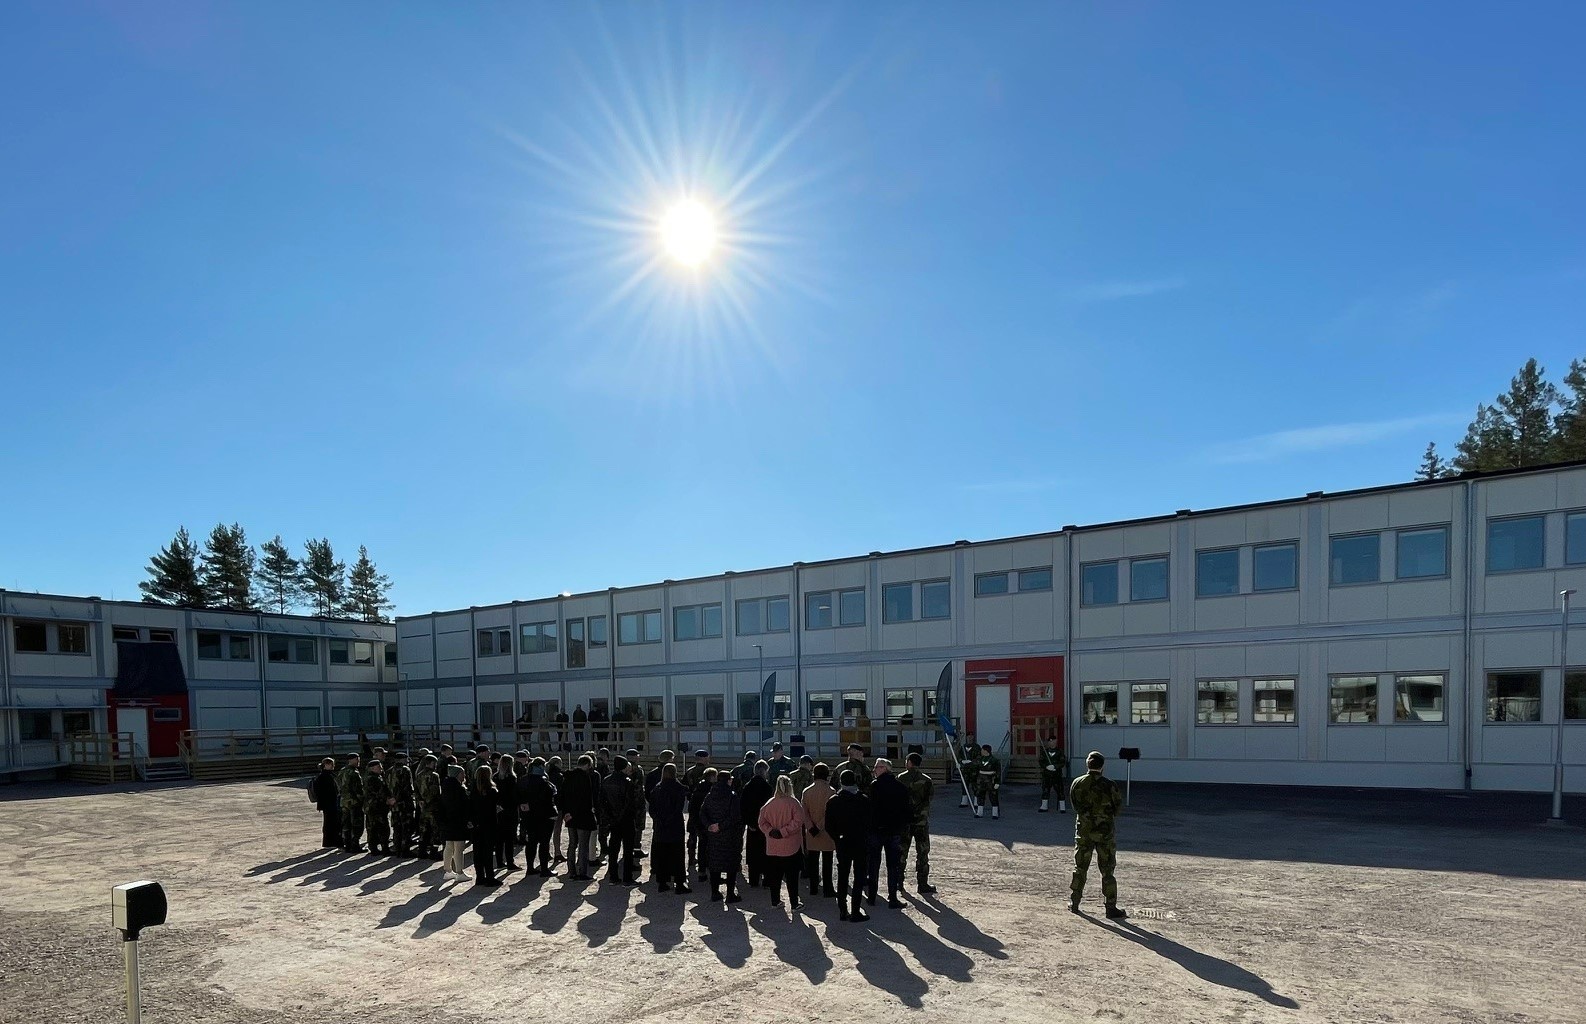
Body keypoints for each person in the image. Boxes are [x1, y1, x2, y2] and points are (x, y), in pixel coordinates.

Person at [1069, 750, 1127, 919]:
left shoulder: (1077, 783)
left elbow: (1075, 806)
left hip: (1084, 832)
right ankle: (1111, 907)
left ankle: (1075, 903)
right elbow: (1117, 809)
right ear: (1102, 767)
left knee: (1080, 868)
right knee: (1107, 870)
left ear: (1087, 765)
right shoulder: (1110, 785)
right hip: (1105, 834)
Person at [824, 769, 872, 922]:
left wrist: (837, 839)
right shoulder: (864, 800)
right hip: (860, 843)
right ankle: (856, 910)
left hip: (842, 843)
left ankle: (842, 910)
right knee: (859, 878)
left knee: (843, 877)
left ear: (841, 782)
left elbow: (828, 826)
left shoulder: (833, 801)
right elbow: (870, 823)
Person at [757, 775, 811, 910]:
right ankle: (794, 903)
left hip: (773, 846)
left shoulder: (769, 803)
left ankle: (775, 901)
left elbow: (761, 822)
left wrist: (770, 831)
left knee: (775, 875)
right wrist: (784, 831)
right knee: (792, 877)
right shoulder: (794, 803)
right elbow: (798, 822)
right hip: (790, 846)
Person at [866, 758, 908, 909]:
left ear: (884, 768)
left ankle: (871, 897)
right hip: (894, 831)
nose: (874, 770)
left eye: (876, 767)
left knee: (873, 865)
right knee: (893, 866)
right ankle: (893, 898)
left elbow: (868, 809)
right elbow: (906, 811)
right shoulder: (900, 787)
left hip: (876, 831)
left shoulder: (874, 786)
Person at [699, 770, 744, 904]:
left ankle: (715, 892)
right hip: (729, 836)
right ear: (728, 780)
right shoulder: (732, 796)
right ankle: (730, 894)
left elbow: (702, 812)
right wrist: (721, 826)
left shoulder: (709, 795)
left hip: (714, 836)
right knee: (731, 865)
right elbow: (734, 817)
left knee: (714, 864)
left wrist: (709, 825)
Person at [647, 761, 691, 894]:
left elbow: (652, 808)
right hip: (674, 825)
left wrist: (659, 819)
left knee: (662, 854)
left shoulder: (657, 788)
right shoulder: (678, 788)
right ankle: (679, 882)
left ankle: (662, 882)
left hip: (660, 826)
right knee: (677, 855)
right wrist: (669, 819)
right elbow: (678, 808)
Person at [897, 751, 937, 894]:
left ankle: (898, 882)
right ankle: (922, 884)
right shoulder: (926, 780)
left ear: (909, 762)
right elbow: (928, 800)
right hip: (921, 822)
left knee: (901, 853)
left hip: (905, 822)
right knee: (922, 853)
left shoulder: (900, 778)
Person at [559, 754, 599, 881]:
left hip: (570, 816)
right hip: (583, 815)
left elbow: (562, 796)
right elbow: (586, 799)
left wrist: (566, 812)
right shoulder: (585, 777)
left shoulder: (568, 776)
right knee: (583, 846)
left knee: (572, 844)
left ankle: (571, 871)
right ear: (588, 765)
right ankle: (582, 872)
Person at [800, 763, 836, 898]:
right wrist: (820, 826)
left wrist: (811, 827)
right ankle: (828, 888)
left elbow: (804, 811)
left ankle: (814, 888)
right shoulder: (831, 791)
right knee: (827, 861)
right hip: (827, 831)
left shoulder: (806, 791)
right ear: (827, 775)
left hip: (811, 832)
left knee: (813, 861)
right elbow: (830, 813)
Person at [599, 755, 637, 884]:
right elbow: (630, 803)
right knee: (628, 850)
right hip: (626, 819)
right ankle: (627, 877)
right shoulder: (627, 781)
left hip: (612, 819)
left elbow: (602, 801)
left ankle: (613, 876)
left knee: (613, 849)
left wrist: (610, 816)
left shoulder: (606, 780)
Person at [520, 757, 559, 876]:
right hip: (544, 816)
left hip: (529, 816)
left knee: (531, 842)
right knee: (544, 842)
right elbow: (549, 798)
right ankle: (544, 869)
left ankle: (530, 867)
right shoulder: (544, 782)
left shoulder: (523, 780)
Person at [739, 760, 773, 887]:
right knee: (765, 851)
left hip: (752, 825)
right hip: (765, 824)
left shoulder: (748, 786)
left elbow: (742, 807)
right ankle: (767, 879)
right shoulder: (767, 787)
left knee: (753, 852)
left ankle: (753, 879)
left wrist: (748, 822)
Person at [438, 764, 471, 883]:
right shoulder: (459, 788)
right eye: (462, 773)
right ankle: (459, 872)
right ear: (458, 774)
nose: (464, 776)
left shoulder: (445, 786)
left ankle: (447, 870)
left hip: (446, 821)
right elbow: (464, 806)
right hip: (457, 821)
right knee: (459, 848)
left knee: (448, 846)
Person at [470, 765, 502, 887]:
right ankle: (490, 877)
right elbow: (495, 807)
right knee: (488, 852)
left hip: (477, 824)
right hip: (489, 823)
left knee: (477, 852)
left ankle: (480, 877)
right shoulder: (492, 790)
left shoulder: (473, 789)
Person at [682, 749, 711, 876]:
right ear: (704, 758)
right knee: (706, 836)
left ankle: (692, 857)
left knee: (692, 833)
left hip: (693, 806)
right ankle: (706, 859)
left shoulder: (689, 772)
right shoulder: (708, 772)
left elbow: (684, 788)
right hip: (706, 808)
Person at [687, 760, 713, 880]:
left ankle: (695, 862)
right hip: (708, 822)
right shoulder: (711, 791)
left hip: (696, 821)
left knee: (697, 842)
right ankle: (708, 867)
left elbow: (691, 806)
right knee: (708, 846)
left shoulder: (697, 789)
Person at [415, 753, 443, 859]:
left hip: (423, 807)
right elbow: (436, 792)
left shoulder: (419, 774)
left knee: (424, 830)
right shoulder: (434, 775)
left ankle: (422, 851)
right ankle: (434, 852)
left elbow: (416, 790)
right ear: (431, 763)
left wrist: (421, 800)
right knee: (435, 830)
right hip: (433, 807)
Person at [388, 751, 416, 856]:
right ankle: (405, 850)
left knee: (396, 827)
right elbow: (406, 787)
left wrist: (391, 799)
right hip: (404, 803)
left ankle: (397, 848)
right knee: (406, 827)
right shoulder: (405, 770)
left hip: (394, 804)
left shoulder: (389, 771)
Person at [337, 753, 365, 852]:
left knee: (346, 824)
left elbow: (339, 786)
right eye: (357, 760)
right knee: (356, 824)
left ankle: (347, 845)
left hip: (344, 801)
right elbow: (358, 789)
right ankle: (355, 845)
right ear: (351, 760)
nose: (358, 762)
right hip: (354, 802)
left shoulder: (342, 771)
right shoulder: (354, 773)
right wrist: (361, 800)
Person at [310, 757, 341, 848]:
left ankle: (331, 842)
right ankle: (329, 842)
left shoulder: (329, 775)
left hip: (330, 802)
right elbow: (324, 791)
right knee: (330, 823)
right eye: (330, 764)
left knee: (331, 823)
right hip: (328, 803)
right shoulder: (323, 776)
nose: (332, 766)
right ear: (325, 765)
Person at [495, 757, 520, 871]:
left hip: (498, 811)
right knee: (510, 839)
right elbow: (514, 796)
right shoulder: (512, 778)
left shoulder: (495, 777)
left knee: (499, 839)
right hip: (510, 811)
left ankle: (500, 862)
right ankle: (510, 862)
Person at [364, 759, 393, 854]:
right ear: (372, 768)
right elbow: (378, 793)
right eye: (378, 767)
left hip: (375, 806)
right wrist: (387, 800)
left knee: (374, 827)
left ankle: (374, 848)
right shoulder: (372, 779)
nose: (381, 768)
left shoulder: (377, 777)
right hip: (376, 806)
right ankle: (381, 848)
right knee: (381, 827)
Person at [1039, 734, 1068, 813]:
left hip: (1057, 775)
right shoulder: (1045, 752)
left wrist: (1055, 766)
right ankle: (1044, 806)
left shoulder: (1060, 751)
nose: (1052, 743)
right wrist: (1046, 766)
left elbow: (1062, 762)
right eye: (1051, 741)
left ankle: (1062, 807)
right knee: (1045, 790)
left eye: (1054, 741)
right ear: (1048, 742)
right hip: (1047, 775)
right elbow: (1041, 762)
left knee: (1060, 791)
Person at [546, 755, 567, 863]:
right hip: (558, 806)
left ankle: (546, 852)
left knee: (547, 831)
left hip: (547, 806)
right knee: (557, 831)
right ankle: (557, 852)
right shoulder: (559, 776)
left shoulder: (547, 775)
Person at [973, 743, 1002, 819]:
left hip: (990, 779)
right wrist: (963, 764)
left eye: (982, 750)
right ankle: (979, 812)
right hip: (981, 780)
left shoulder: (994, 760)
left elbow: (998, 772)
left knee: (993, 796)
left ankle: (995, 813)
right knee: (980, 795)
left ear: (986, 751)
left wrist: (997, 782)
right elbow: (973, 765)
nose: (981, 751)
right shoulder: (980, 759)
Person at [957, 733, 978, 807]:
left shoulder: (977, 747)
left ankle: (976, 802)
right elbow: (959, 756)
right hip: (964, 769)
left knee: (974, 785)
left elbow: (979, 758)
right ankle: (964, 801)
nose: (970, 738)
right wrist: (961, 761)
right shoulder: (963, 747)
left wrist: (972, 762)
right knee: (964, 785)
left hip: (973, 770)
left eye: (971, 736)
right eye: (968, 736)